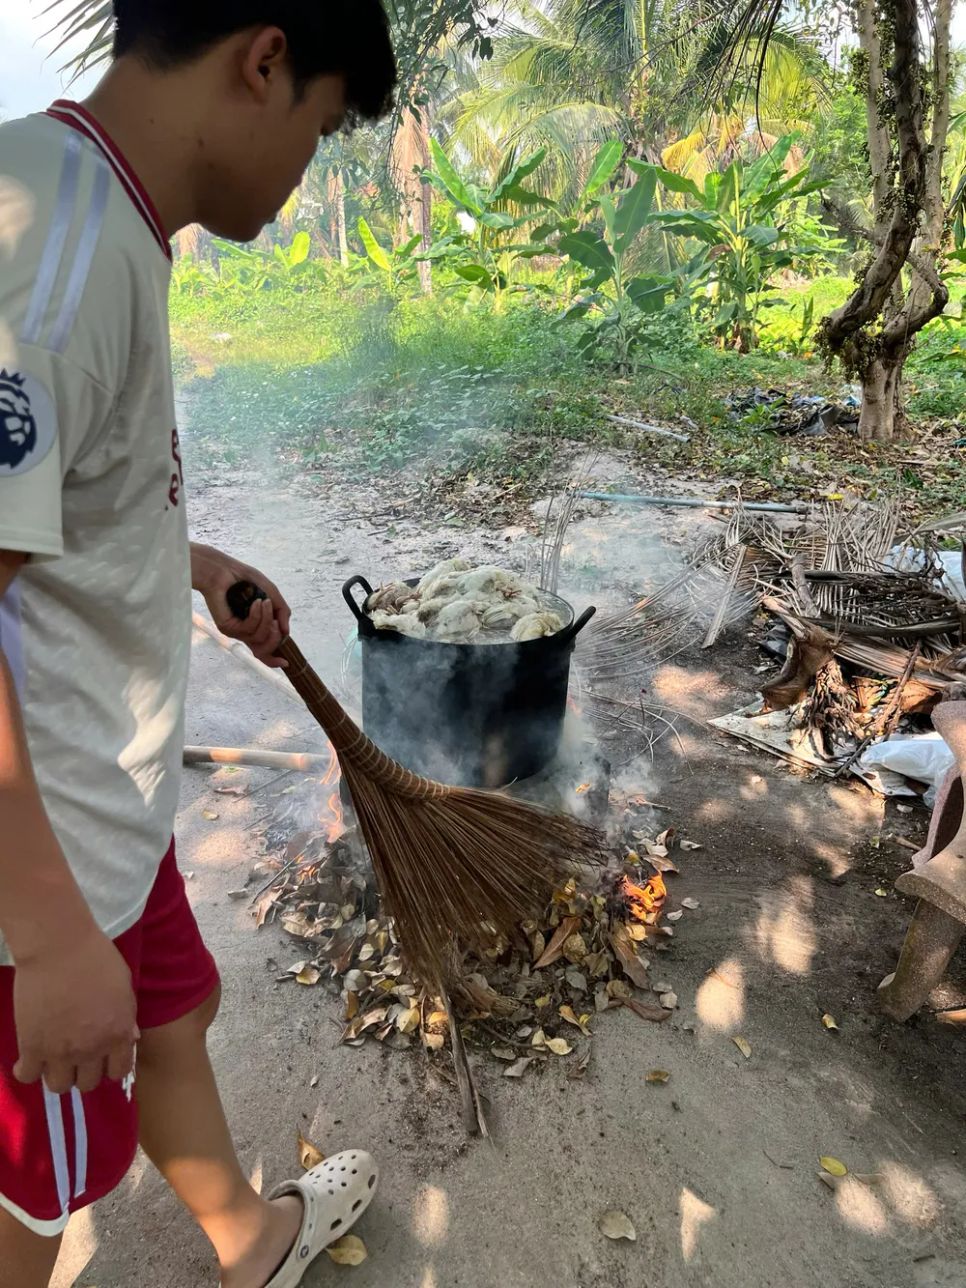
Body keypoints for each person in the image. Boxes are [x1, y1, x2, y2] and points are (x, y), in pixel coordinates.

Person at [0, 3, 397, 1285]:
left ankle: (249, 1238)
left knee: (179, 1012)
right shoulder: (58, 254)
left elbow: (50, 501)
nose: (306, 173)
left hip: (101, 817)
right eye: (324, 129)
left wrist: (188, 560)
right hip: (37, 859)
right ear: (264, 61)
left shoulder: (81, 202)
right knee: (37, 1197)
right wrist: (52, 935)